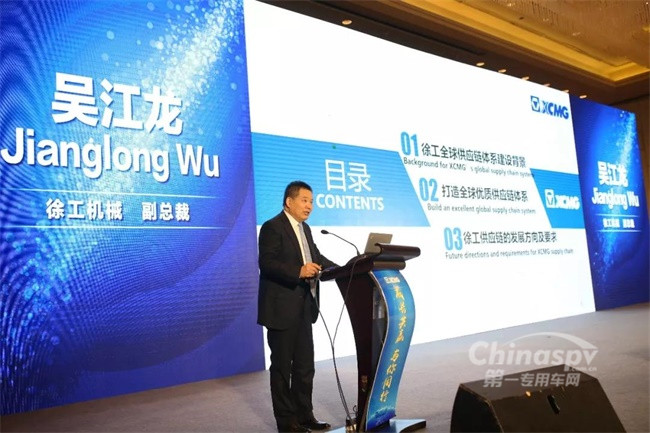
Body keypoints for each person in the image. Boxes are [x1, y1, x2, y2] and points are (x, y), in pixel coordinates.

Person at [258, 181, 338, 433]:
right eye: (304, 200)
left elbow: (316, 258)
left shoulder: (306, 229)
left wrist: (346, 269)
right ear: (289, 202)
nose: (309, 206)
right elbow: (267, 263)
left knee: (304, 367)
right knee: (282, 368)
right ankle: (286, 422)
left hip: (304, 307)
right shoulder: (272, 227)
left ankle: (304, 416)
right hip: (281, 309)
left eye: (311, 201)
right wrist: (298, 271)